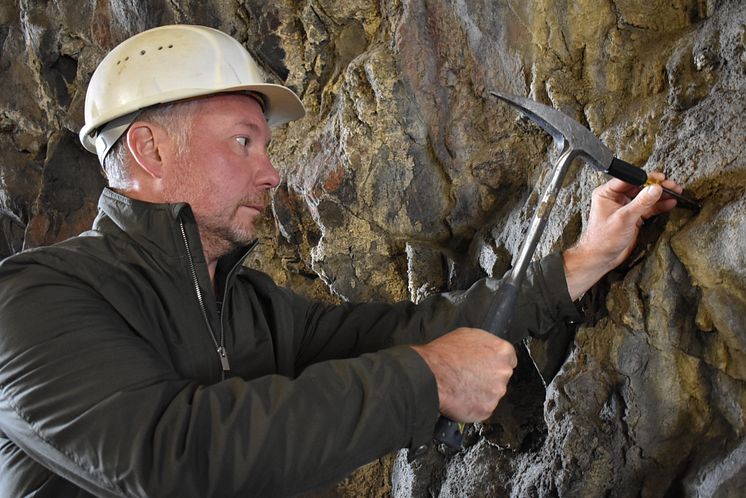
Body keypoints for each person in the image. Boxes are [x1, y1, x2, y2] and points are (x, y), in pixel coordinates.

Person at [0, 24, 683, 497]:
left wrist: (581, 262)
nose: (271, 173)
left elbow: (403, 335)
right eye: (244, 143)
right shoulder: (31, 302)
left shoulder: (252, 309)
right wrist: (425, 381)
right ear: (150, 150)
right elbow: (169, 456)